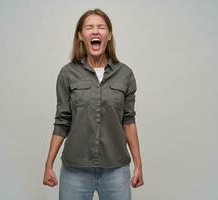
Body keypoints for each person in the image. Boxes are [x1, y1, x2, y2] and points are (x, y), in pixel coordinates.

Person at [43, 8, 144, 200]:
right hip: (75, 171)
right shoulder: (67, 74)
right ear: (81, 35)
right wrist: (49, 164)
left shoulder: (125, 74)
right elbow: (62, 121)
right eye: (89, 27)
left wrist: (138, 164)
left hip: (116, 170)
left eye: (101, 27)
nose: (95, 31)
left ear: (109, 35)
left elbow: (128, 121)